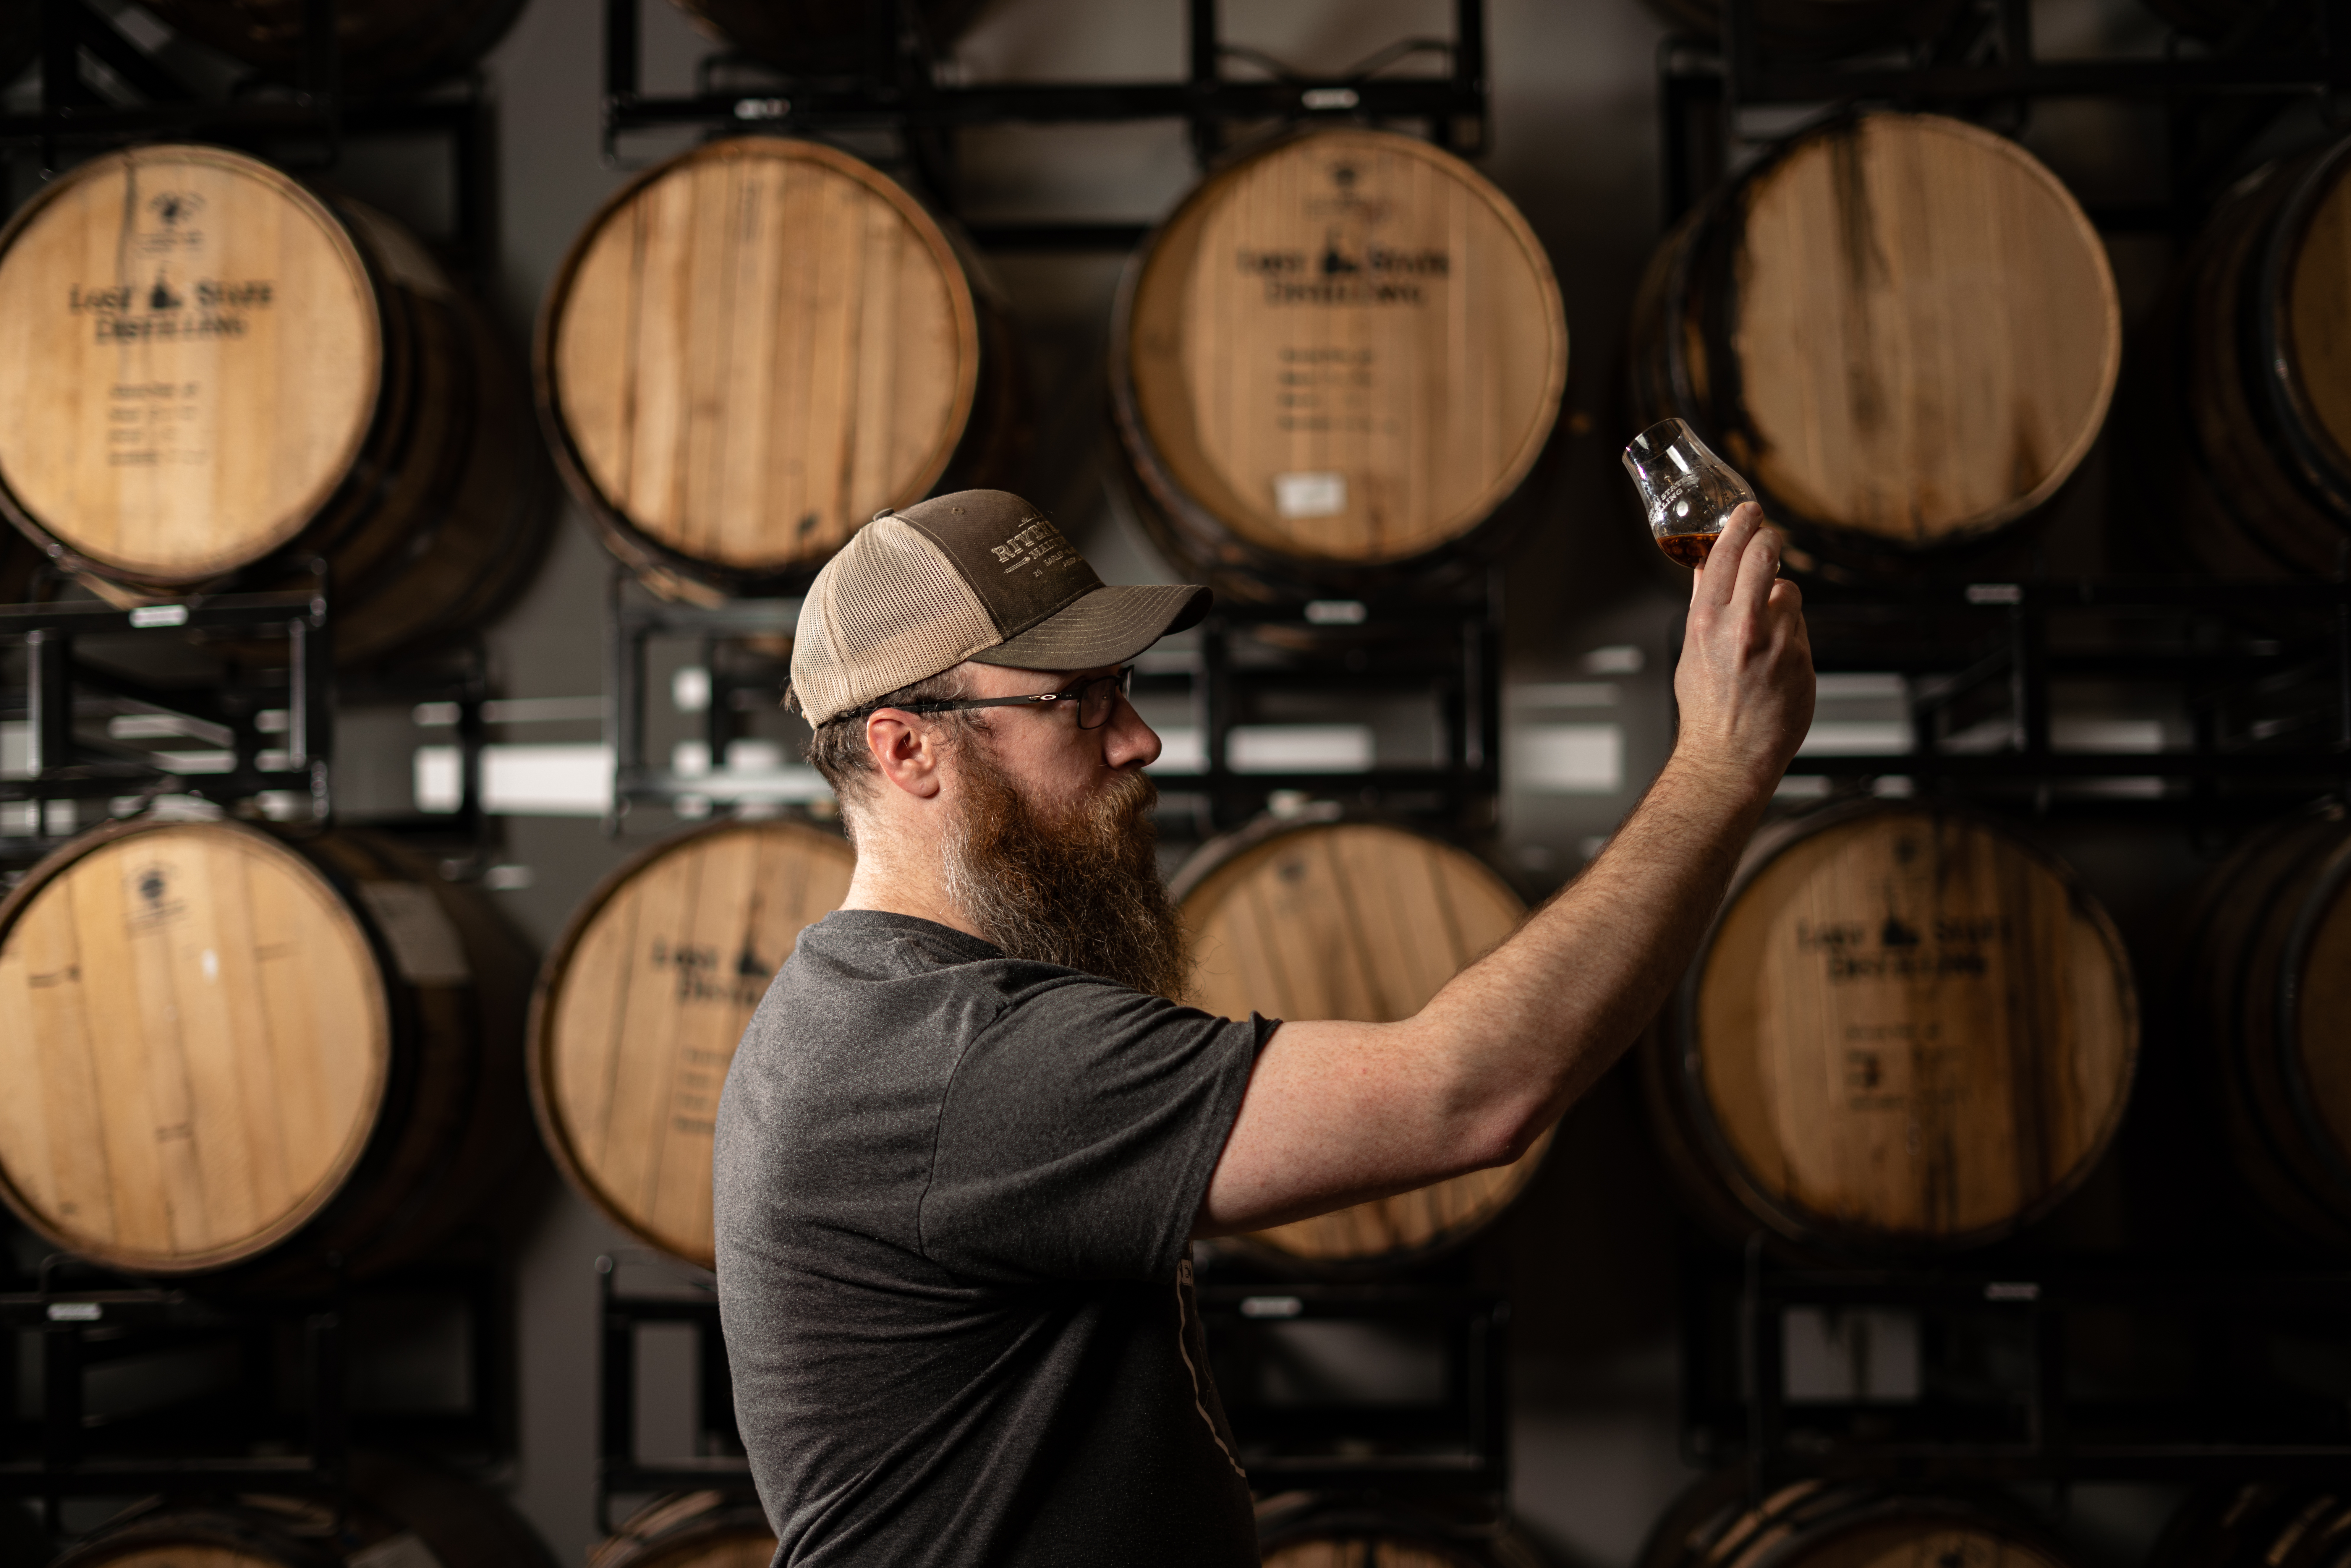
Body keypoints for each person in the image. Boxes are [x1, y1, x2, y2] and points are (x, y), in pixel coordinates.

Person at [714, 490, 1814, 1567]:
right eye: (1081, 702)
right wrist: (1722, 762)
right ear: (909, 751)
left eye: (1125, 690)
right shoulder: (947, 1058)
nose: (1139, 742)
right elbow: (1468, 1095)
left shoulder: (866, 1012)